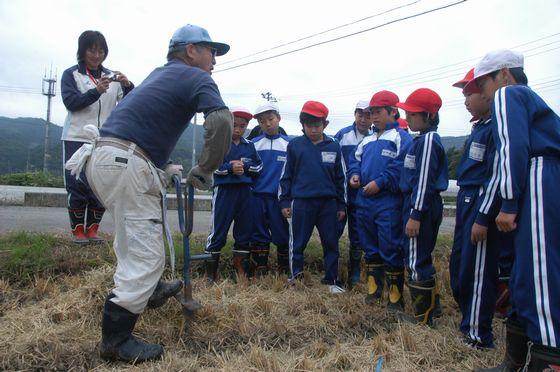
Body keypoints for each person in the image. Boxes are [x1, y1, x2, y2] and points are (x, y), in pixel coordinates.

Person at [83, 24, 233, 362]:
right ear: (191, 50)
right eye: (211, 51)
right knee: (146, 256)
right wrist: (206, 168)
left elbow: (144, 123)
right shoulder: (197, 78)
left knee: (133, 238)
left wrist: (161, 165)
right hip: (126, 162)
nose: (214, 61)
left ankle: (148, 289)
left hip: (105, 156)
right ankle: (116, 342)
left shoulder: (159, 75)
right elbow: (222, 122)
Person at [465, 50, 560, 371]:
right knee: (523, 272)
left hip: (536, 175)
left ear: (504, 74)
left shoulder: (509, 94)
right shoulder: (531, 100)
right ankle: (515, 359)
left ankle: (549, 360)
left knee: (540, 272)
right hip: (543, 176)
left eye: (483, 82)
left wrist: (507, 203)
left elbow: (512, 147)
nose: (482, 91)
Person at [449, 68, 514, 349]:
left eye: (469, 93)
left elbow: (495, 175)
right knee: (462, 264)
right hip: (467, 197)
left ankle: (477, 335)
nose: (465, 100)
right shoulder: (480, 126)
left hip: (481, 201)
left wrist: (483, 216)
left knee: (478, 270)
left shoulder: (498, 127)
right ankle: (469, 320)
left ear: (487, 94)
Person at [61, 30, 134, 243]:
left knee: (101, 184)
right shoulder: (72, 74)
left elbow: (132, 102)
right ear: (82, 51)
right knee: (77, 183)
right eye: (92, 50)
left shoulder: (112, 77)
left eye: (101, 50)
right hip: (76, 137)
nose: (96, 55)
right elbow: (71, 103)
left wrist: (128, 85)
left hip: (104, 139)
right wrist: (97, 91)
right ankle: (77, 231)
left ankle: (93, 230)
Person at [348, 91, 412, 310]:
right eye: (371, 112)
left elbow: (401, 165)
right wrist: (354, 175)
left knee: (391, 245)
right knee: (369, 245)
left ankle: (395, 298)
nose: (373, 117)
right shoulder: (366, 139)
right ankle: (374, 290)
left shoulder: (401, 137)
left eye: (377, 112)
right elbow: (354, 161)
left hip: (388, 202)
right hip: (364, 200)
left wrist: (381, 182)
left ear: (393, 112)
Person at [279, 101, 347, 293]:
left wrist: (341, 205)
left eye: (317, 125)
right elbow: (286, 176)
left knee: (331, 242)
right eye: (309, 125)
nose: (313, 129)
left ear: (325, 124)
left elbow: (341, 178)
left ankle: (332, 280)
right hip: (301, 202)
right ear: (303, 125)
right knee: (298, 242)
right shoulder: (294, 145)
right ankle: (296, 278)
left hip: (328, 204)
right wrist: (284, 201)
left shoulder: (334, 146)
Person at [397, 88, 448, 325]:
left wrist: (415, 214)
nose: (408, 117)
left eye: (413, 114)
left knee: (416, 258)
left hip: (421, 207)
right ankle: (431, 308)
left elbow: (424, 180)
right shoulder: (422, 139)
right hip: (418, 204)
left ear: (428, 116)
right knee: (420, 255)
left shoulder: (427, 141)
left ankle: (422, 318)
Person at [204, 107, 263, 282]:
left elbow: (259, 167)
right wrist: (230, 168)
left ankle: (241, 272)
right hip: (224, 191)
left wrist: (244, 167)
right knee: (218, 232)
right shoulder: (217, 142)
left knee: (245, 232)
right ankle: (210, 275)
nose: (237, 129)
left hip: (245, 193)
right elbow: (209, 166)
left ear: (247, 127)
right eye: (234, 125)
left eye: (242, 126)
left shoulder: (249, 145)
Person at [333, 100, 372, 288]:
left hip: (363, 194)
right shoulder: (342, 135)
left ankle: (354, 272)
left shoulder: (376, 136)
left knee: (358, 234)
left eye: (368, 115)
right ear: (354, 114)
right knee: (334, 230)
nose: (364, 119)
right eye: (360, 114)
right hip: (341, 192)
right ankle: (331, 269)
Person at [250, 103, 291, 276]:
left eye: (271, 119)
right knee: (258, 233)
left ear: (279, 119)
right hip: (257, 196)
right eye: (262, 121)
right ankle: (260, 269)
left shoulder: (290, 145)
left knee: (282, 234)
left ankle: (283, 270)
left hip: (279, 199)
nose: (267, 124)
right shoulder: (253, 144)